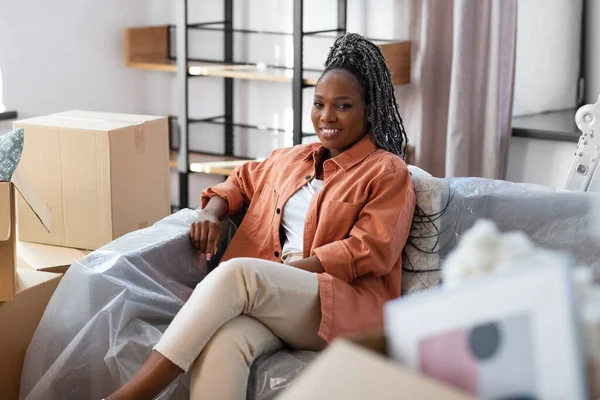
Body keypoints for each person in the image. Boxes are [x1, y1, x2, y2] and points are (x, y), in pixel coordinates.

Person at [107, 32, 416, 400]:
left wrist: (282, 275)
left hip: (343, 306)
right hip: (280, 299)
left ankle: (127, 397)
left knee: (239, 274)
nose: (326, 116)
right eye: (318, 104)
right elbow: (239, 181)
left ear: (371, 110)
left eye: (343, 106)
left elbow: (370, 249)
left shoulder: (387, 171)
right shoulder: (291, 159)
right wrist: (209, 212)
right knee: (224, 341)